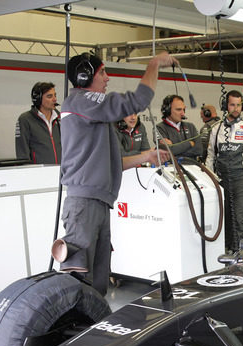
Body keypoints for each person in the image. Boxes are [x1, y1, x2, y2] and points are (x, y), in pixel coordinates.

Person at [58, 51, 175, 295]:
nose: (107, 78)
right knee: (80, 281)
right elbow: (136, 101)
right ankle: (79, 331)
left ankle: (96, 328)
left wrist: (146, 157)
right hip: (85, 205)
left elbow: (111, 163)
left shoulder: (92, 114)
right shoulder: (80, 101)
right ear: (85, 76)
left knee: (98, 281)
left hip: (98, 203)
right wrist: (153, 64)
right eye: (102, 72)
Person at [206, 90, 243, 251]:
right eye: (232, 104)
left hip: (241, 179)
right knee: (223, 218)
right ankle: (225, 249)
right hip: (221, 180)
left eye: (238, 105)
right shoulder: (216, 128)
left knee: (239, 218)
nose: (235, 108)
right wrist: (208, 178)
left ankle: (239, 252)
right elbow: (210, 156)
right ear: (226, 106)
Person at [15, 82, 61, 164]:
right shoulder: (25, 119)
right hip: (38, 174)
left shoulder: (60, 118)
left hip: (60, 172)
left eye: (55, 95)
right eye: (49, 96)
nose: (55, 99)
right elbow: (22, 153)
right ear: (38, 99)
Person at [154, 95, 203, 160]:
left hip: (193, 167)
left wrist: (175, 148)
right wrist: (190, 143)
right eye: (179, 109)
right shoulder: (159, 128)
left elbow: (199, 150)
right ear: (167, 110)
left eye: (184, 109)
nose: (183, 113)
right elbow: (167, 151)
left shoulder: (191, 126)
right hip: (171, 168)